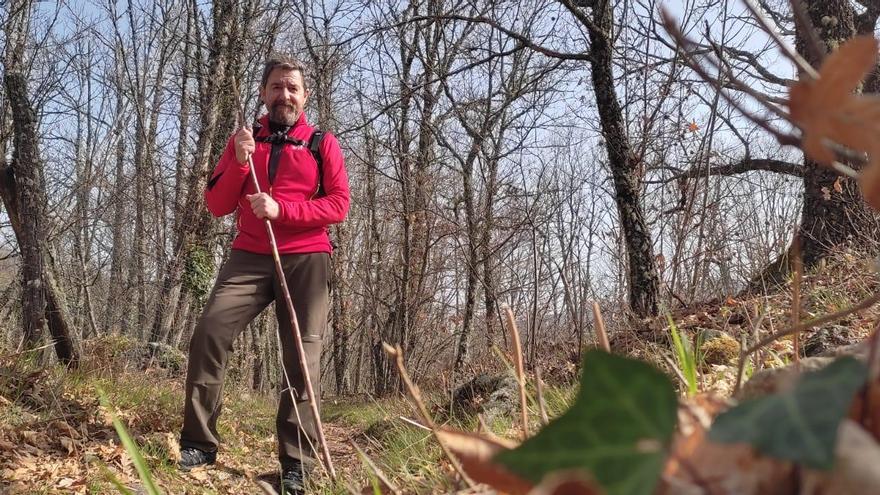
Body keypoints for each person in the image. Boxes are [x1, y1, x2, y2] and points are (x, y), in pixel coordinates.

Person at [177, 53, 349, 494]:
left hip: (307, 256)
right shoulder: (244, 140)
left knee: (302, 359)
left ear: (304, 96)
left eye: (292, 87)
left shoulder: (321, 142)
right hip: (249, 255)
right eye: (276, 86)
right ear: (263, 93)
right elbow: (216, 205)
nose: (284, 94)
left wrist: (282, 209)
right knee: (211, 332)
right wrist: (237, 159)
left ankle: (296, 464)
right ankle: (199, 443)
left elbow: (339, 205)